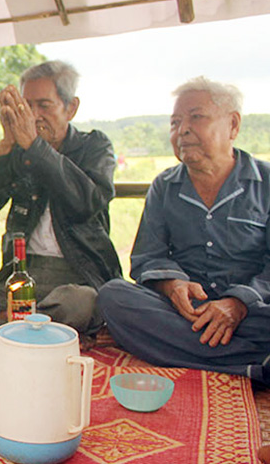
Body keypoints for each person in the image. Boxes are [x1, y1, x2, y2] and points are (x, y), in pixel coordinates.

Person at [97, 77, 270, 384]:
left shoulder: (266, 183)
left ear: (233, 125)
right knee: (113, 296)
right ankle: (250, 364)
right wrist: (173, 285)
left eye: (196, 117)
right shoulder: (165, 186)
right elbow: (147, 258)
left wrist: (238, 303)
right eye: (175, 122)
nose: (182, 130)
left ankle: (201, 354)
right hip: (187, 313)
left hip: (252, 311)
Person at [0, 60, 121, 338]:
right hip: (22, 273)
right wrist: (8, 144)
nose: (33, 116)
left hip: (77, 273)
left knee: (81, 304)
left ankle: (6, 324)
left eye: (44, 105)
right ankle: (29, 325)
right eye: (26, 106)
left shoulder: (94, 145)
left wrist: (36, 147)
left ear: (71, 108)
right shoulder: (17, 149)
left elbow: (87, 203)